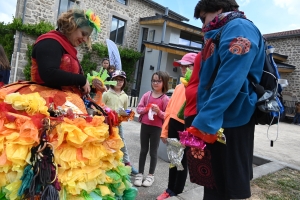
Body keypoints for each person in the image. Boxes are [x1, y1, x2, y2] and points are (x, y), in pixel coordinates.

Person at [0, 9, 138, 199]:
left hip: (66, 104)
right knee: (49, 153)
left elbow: (68, 78)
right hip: (44, 104)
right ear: (71, 26)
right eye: (83, 34)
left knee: (72, 158)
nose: (84, 39)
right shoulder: (50, 41)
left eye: (87, 36)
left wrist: (88, 83)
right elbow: (49, 73)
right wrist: (80, 79)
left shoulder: (64, 46)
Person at [189, 0, 265, 199]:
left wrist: (203, 121)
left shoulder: (239, 27)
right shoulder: (221, 30)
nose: (203, 25)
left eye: (204, 18)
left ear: (219, 9)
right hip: (218, 117)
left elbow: (229, 80)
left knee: (226, 187)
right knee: (213, 183)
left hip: (232, 118)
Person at [157, 53, 197, 200]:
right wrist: (165, 131)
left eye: (188, 66)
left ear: (196, 67)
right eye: (182, 66)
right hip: (174, 125)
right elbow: (169, 111)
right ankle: (169, 188)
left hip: (186, 128)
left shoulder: (198, 87)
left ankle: (177, 191)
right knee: (174, 160)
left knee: (182, 162)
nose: (184, 69)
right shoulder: (179, 87)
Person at [134, 71, 170, 187]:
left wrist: (159, 112)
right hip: (145, 126)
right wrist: (146, 109)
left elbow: (167, 115)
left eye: (159, 81)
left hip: (156, 128)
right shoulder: (147, 95)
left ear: (164, 83)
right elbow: (138, 109)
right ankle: (140, 173)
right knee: (143, 150)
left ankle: (150, 175)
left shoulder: (165, 99)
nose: (155, 83)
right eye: (154, 80)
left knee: (153, 152)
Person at [102, 70, 139, 175]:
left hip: (118, 125)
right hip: (106, 125)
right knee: (106, 143)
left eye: (121, 80)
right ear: (112, 80)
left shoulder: (125, 96)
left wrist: (125, 115)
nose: (119, 82)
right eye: (116, 80)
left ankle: (127, 163)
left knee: (122, 143)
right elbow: (100, 108)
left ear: (124, 82)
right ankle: (105, 164)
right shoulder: (106, 94)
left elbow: (125, 111)